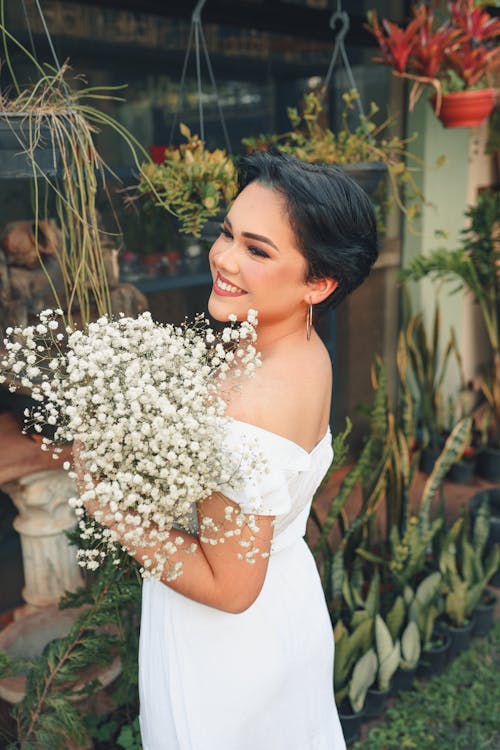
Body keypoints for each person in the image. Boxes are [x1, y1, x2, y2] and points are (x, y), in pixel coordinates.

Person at [82, 149, 378, 749]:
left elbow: (231, 589)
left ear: (318, 283)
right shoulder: (298, 348)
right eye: (227, 232)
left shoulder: (251, 410)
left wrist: (108, 505)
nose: (224, 258)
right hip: (285, 601)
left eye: (258, 250)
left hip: (222, 650)